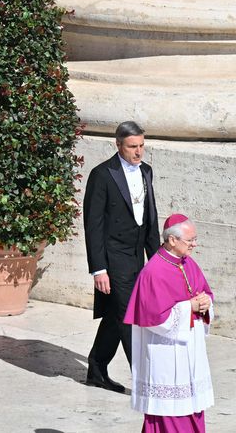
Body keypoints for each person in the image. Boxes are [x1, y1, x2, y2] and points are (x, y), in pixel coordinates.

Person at [83, 120, 160, 392]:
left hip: (136, 254)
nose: (138, 152)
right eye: (132, 147)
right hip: (114, 257)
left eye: (141, 146)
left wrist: (159, 260)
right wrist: (99, 269)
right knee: (130, 316)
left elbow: (150, 218)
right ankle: (144, 379)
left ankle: (97, 367)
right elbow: (93, 225)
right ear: (118, 145)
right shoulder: (102, 174)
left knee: (117, 313)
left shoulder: (146, 171)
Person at [125, 213, 214, 432]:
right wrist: (189, 307)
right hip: (165, 356)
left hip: (190, 353)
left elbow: (205, 293)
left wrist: (205, 303)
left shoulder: (189, 263)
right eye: (190, 240)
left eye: (195, 238)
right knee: (169, 414)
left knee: (192, 407)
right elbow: (154, 318)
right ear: (172, 240)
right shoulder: (153, 272)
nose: (195, 244)